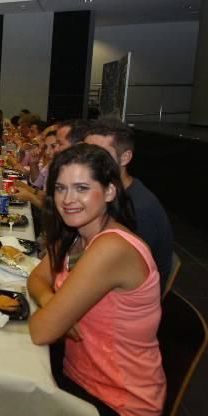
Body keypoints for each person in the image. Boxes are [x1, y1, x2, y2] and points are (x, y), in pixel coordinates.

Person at [27, 144, 165, 416]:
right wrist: (52, 300)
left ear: (110, 192)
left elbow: (41, 330)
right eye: (61, 188)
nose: (68, 199)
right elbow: (35, 279)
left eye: (82, 188)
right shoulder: (78, 235)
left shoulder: (110, 248)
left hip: (118, 406)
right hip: (79, 378)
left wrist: (54, 313)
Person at [84, 121, 174, 291]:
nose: (87, 162)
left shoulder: (138, 209)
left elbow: (109, 275)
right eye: (85, 152)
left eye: (100, 155)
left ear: (125, 157)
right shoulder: (108, 191)